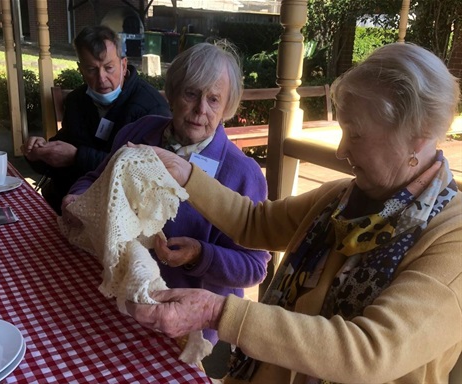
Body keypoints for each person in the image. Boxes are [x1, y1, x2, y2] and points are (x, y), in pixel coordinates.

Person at [125, 43, 462, 383]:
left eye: (356, 135)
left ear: (416, 139)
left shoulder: (453, 239)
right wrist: (185, 175)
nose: (342, 150)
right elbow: (254, 222)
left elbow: (370, 352)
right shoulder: (341, 198)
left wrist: (218, 312)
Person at [62, 41, 271, 346]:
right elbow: (97, 177)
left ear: (227, 106)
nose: (201, 109)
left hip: (183, 324)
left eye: (214, 99)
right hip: (118, 297)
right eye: (191, 94)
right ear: (172, 94)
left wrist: (200, 255)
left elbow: (253, 267)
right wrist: (76, 196)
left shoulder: (241, 173)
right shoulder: (139, 132)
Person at [21, 25, 171, 214]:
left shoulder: (152, 109)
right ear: (80, 69)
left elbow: (144, 174)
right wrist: (38, 153)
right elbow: (62, 153)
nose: (101, 78)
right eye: (91, 69)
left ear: (123, 65)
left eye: (109, 68)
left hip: (119, 214)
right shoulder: (77, 101)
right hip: (65, 205)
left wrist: (76, 157)